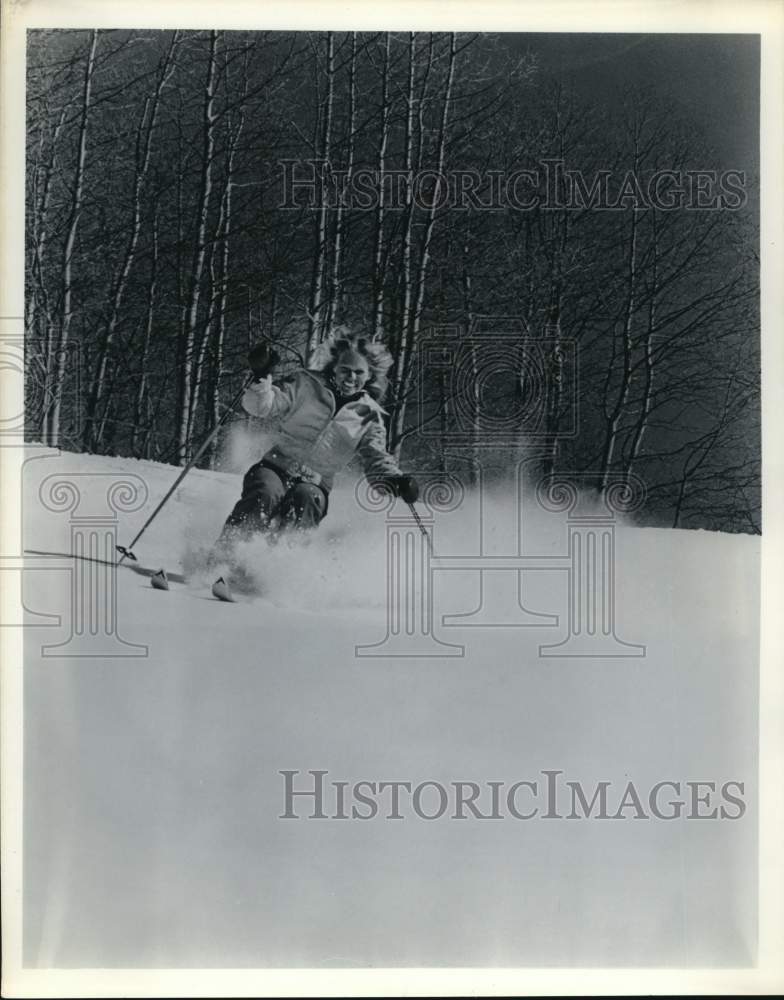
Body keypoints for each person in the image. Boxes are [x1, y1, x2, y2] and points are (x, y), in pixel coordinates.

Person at [214, 332, 419, 558]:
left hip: (316, 482)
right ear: (333, 368)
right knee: (266, 492)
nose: (351, 377)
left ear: (369, 375)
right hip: (276, 466)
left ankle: (273, 571)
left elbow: (376, 457)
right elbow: (263, 407)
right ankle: (225, 557)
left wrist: (395, 480)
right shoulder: (305, 384)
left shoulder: (369, 416)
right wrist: (261, 378)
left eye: (359, 372)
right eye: (345, 369)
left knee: (306, 500)